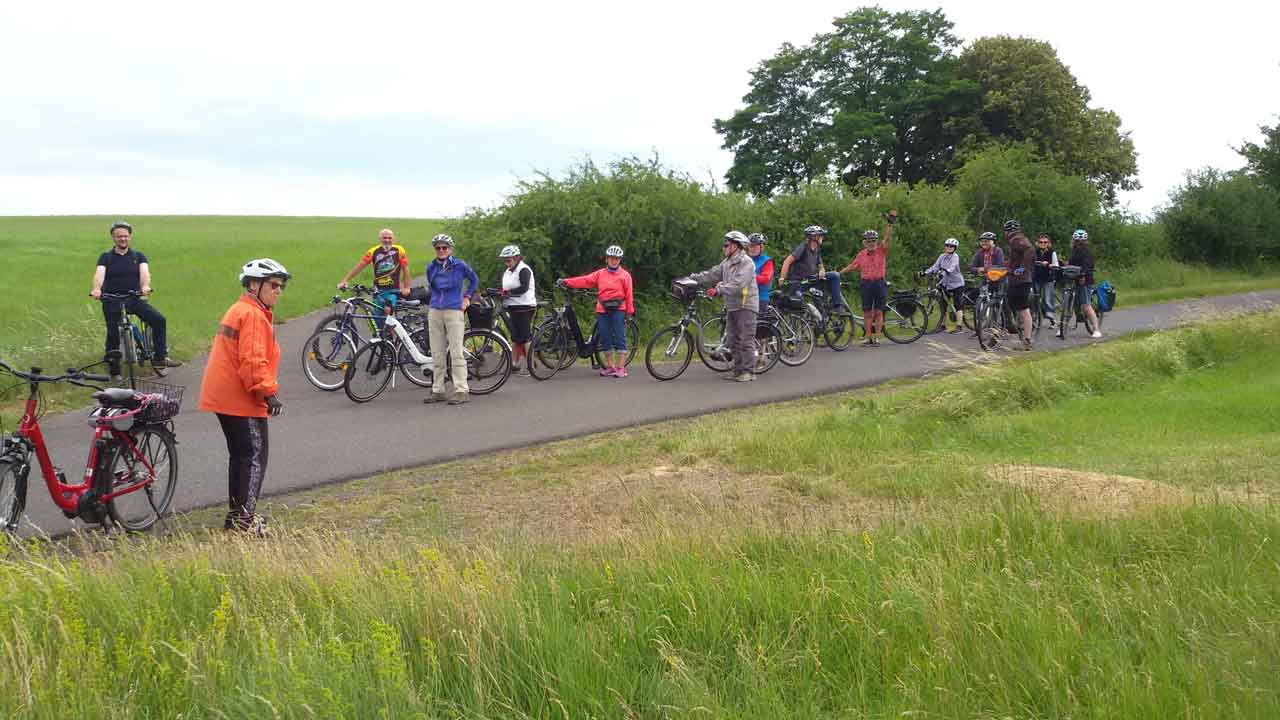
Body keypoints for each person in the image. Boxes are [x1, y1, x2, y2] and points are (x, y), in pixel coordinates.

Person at [197, 258, 289, 535]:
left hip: (226, 396)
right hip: (241, 399)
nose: (278, 290)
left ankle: (237, 517)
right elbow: (252, 359)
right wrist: (268, 393)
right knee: (253, 458)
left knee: (240, 457)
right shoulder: (251, 315)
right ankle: (244, 523)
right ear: (253, 285)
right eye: (273, 285)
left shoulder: (242, 310)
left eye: (281, 286)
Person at [89, 221, 183, 380]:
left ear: (130, 237)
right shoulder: (106, 257)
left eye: (125, 236)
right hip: (111, 300)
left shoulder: (138, 256)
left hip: (133, 298)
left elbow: (145, 272)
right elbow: (99, 274)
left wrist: (145, 286)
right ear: (113, 237)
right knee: (113, 333)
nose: (122, 239)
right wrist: (97, 289)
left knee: (159, 320)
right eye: (119, 236)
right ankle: (115, 371)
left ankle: (160, 358)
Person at [687, 231, 760, 382]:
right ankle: (738, 371)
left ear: (736, 246)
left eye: (726, 244)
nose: (724, 247)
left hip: (746, 305)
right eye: (724, 245)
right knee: (733, 340)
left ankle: (748, 372)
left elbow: (739, 284)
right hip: (732, 306)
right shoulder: (726, 262)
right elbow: (712, 274)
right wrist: (693, 278)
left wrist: (719, 290)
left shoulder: (746, 262)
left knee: (746, 340)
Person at [558, 245, 636, 378]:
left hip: (619, 309)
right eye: (612, 258)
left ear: (620, 260)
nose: (614, 261)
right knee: (605, 337)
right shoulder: (600, 274)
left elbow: (629, 295)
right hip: (603, 309)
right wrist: (567, 281)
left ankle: (621, 367)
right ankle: (610, 367)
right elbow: (585, 280)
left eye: (617, 259)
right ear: (607, 259)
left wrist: (629, 312)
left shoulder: (625, 276)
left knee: (619, 337)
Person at [423, 234, 480, 405]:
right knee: (437, 353)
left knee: (456, 352)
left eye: (444, 248)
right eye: (438, 248)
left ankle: (461, 390)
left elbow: (474, 280)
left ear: (450, 249)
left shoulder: (459, 265)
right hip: (435, 310)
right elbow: (432, 286)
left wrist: (467, 297)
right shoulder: (431, 267)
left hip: (454, 309)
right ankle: (438, 389)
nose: (441, 250)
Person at [839, 209, 897, 345]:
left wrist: (890, 225)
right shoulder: (861, 254)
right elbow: (853, 266)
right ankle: (867, 337)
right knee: (867, 312)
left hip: (879, 283)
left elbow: (886, 238)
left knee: (878, 311)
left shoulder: (881, 250)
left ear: (876, 241)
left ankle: (876, 337)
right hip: (866, 284)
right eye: (868, 241)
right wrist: (839, 273)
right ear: (864, 242)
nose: (871, 243)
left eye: (873, 240)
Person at [336, 228, 410, 329]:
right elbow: (360, 266)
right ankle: (383, 342)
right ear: (380, 239)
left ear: (393, 239)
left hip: (393, 290)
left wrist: (407, 287)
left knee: (389, 313)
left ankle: (395, 340)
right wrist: (345, 280)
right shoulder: (373, 251)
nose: (387, 240)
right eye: (384, 238)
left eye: (389, 238)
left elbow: (405, 268)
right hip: (378, 291)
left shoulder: (399, 250)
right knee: (378, 321)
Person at [779, 225, 848, 309]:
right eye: (821, 235)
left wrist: (822, 271)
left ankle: (836, 304)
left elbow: (821, 266)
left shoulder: (816, 249)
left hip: (811, 279)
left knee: (835, 275)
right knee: (800, 304)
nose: (822, 237)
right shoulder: (803, 247)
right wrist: (782, 278)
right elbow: (787, 261)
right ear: (814, 237)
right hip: (800, 283)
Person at [497, 244, 537, 375]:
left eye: (509, 260)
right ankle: (514, 365)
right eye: (505, 260)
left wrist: (508, 293)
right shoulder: (508, 271)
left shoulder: (524, 269)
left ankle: (531, 366)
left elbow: (524, 288)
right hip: (512, 306)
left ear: (517, 257)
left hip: (524, 306)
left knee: (525, 336)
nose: (507, 263)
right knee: (515, 337)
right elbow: (505, 287)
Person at [1003, 220, 1037, 350]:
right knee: (1012, 305)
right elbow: (1015, 259)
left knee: (1023, 309)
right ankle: (1012, 329)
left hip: (1022, 279)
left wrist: (1023, 267)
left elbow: (1030, 251)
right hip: (1015, 278)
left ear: (1007, 231)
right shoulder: (1016, 239)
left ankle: (1027, 340)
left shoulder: (1017, 239)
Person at [921, 237, 965, 333]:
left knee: (957, 305)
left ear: (955, 248)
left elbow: (952, 267)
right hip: (944, 283)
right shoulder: (942, 256)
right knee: (943, 305)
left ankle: (959, 326)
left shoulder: (955, 257)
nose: (949, 247)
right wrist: (925, 272)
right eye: (947, 246)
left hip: (956, 284)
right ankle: (942, 325)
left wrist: (945, 271)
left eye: (951, 246)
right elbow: (935, 267)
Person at [1069, 228, 1103, 338]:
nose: (1079, 243)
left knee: (1086, 305)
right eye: (1077, 240)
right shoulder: (1074, 250)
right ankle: (1063, 328)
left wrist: (1083, 275)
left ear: (1085, 241)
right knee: (1070, 303)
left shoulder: (1086, 251)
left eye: (1081, 241)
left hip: (1085, 280)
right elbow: (1071, 263)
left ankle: (1096, 329)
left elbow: (1088, 265)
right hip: (1075, 279)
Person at [1033, 233, 1060, 326]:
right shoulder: (1034, 252)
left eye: (1045, 242)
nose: (1043, 244)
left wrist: (1049, 264)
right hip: (1036, 278)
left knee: (1047, 299)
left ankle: (1051, 318)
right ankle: (1035, 317)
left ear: (1049, 243)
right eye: (1041, 242)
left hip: (1048, 278)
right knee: (1034, 298)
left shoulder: (1052, 252)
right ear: (1037, 243)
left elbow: (1056, 265)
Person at [747, 233, 774, 305]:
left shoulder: (767, 261)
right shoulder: (745, 260)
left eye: (754, 246)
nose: (751, 249)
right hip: (745, 297)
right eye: (750, 246)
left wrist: (748, 277)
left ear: (761, 247)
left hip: (760, 298)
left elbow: (765, 279)